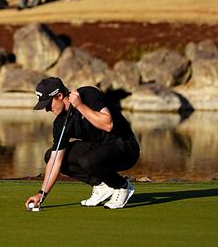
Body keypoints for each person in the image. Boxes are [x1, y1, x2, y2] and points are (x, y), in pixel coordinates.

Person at [25, 77, 140, 211]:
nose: (47, 109)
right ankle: (102, 185)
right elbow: (55, 160)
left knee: (87, 161)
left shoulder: (88, 95)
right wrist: (42, 194)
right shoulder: (60, 123)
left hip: (126, 149)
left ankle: (122, 186)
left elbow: (108, 124)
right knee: (50, 156)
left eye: (48, 104)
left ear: (59, 96)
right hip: (99, 151)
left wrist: (80, 106)